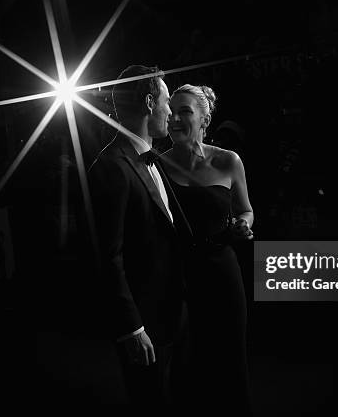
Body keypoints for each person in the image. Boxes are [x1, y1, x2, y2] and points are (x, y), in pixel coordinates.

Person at [87, 65, 192, 413]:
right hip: (145, 324)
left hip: (173, 313)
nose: (169, 112)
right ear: (149, 102)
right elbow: (107, 256)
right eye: (165, 102)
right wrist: (131, 328)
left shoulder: (152, 158)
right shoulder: (111, 167)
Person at [161, 84, 254, 414]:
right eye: (171, 111)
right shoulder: (155, 166)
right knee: (187, 366)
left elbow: (245, 209)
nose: (174, 118)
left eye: (184, 111)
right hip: (180, 278)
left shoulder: (229, 161)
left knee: (230, 363)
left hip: (223, 274)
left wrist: (244, 224)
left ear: (204, 118)